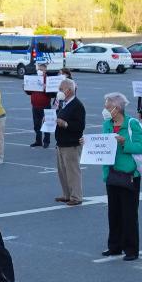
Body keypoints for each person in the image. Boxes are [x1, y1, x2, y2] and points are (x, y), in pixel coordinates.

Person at [101, 92, 142, 260]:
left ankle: (131, 249)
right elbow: (102, 143)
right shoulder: (107, 124)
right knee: (113, 212)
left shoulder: (132, 123)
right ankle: (114, 246)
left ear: (117, 108)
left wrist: (124, 143)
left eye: (107, 106)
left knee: (129, 213)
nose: (105, 110)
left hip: (129, 174)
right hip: (111, 173)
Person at [52, 78, 86, 206]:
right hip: (61, 142)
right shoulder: (63, 103)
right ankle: (67, 195)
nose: (59, 92)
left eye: (61, 89)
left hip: (71, 144)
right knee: (62, 171)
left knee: (72, 171)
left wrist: (66, 124)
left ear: (69, 90)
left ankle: (76, 197)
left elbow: (80, 126)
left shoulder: (77, 105)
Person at [26, 62, 54, 148]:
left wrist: (46, 89)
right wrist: (25, 87)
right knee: (36, 125)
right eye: (39, 69)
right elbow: (29, 92)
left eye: (41, 70)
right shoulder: (34, 79)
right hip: (35, 105)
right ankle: (38, 141)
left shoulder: (49, 80)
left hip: (45, 105)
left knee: (47, 125)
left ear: (45, 71)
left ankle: (46, 141)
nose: (40, 71)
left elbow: (53, 94)